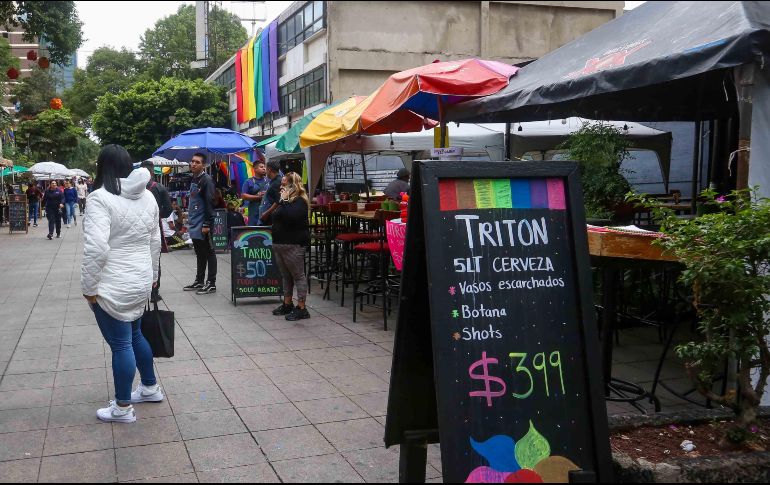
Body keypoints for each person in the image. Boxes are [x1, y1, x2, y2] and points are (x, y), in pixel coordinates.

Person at [81, 144, 163, 424]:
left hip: (113, 283)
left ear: (102, 166)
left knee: (121, 344)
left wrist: (89, 288)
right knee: (136, 335)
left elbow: (96, 249)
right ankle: (150, 387)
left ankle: (123, 407)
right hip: (140, 278)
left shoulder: (99, 198)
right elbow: (155, 241)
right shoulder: (149, 196)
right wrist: (153, 276)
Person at [271, 172, 311, 321]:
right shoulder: (283, 201)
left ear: (293, 186)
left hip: (293, 244)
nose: (281, 187)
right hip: (280, 244)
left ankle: (302, 307)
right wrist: (283, 200)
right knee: (285, 276)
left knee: (298, 276)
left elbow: (291, 217)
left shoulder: (300, 201)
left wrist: (285, 200)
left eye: (284, 184)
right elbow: (276, 216)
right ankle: (287, 303)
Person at [183, 152, 217, 294]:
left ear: (203, 165)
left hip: (203, 223)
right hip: (194, 222)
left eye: (197, 162)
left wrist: (207, 225)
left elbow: (210, 203)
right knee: (199, 253)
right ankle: (199, 281)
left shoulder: (206, 180)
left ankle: (211, 283)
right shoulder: (194, 179)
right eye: (192, 161)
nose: (193, 164)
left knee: (209, 252)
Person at [140, 161, 173, 303]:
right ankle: (154, 292)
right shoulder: (160, 188)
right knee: (154, 259)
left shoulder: (134, 188)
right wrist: (158, 215)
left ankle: (141, 290)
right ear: (152, 172)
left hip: (138, 227)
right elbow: (168, 210)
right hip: (155, 227)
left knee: (139, 257)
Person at [240, 161, 268, 226]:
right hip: (254, 211)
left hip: (266, 210)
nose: (264, 168)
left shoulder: (268, 181)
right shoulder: (248, 181)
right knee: (254, 230)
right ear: (255, 169)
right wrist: (258, 197)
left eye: (264, 167)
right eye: (261, 167)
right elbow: (243, 195)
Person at [258, 160, 282, 225]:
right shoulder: (275, 181)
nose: (265, 171)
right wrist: (267, 192)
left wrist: (266, 213)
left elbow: (279, 201)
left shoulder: (276, 183)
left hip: (272, 219)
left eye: (265, 168)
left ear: (269, 169)